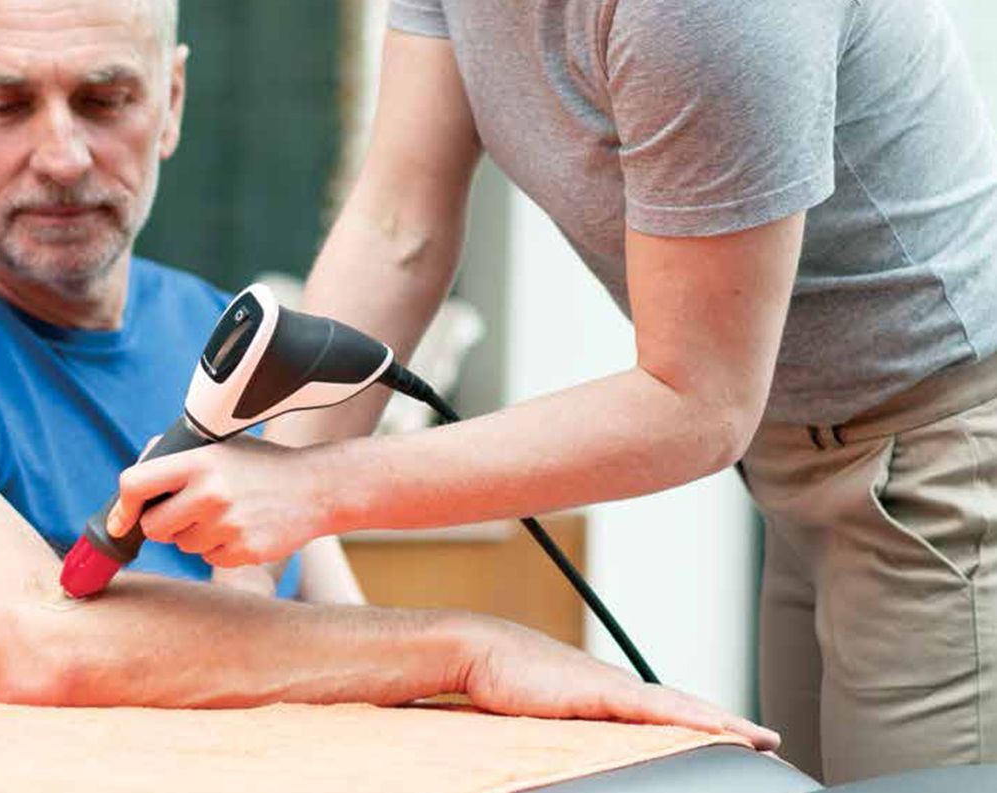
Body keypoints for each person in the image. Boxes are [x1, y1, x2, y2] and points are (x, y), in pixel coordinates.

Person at [0, 0, 779, 749]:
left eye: (105, 99)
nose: (60, 155)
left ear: (172, 102)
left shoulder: (214, 334)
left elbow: (337, 626)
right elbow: (33, 644)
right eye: (5, 105)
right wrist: (467, 646)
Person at [106, 0, 997, 784]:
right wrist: (253, 538)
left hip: (942, 458)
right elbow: (397, 226)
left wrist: (311, 489)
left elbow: (697, 404)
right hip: (793, 449)